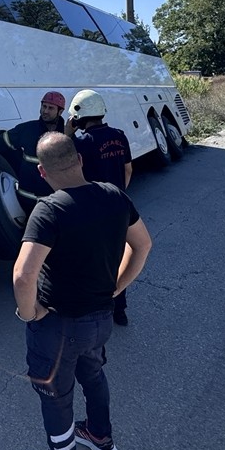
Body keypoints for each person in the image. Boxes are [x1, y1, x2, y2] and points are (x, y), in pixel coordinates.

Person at [13, 133, 151, 450]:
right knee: (94, 375)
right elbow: (143, 244)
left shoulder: (49, 210)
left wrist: (29, 314)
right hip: (100, 320)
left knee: (55, 396)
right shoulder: (114, 195)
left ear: (42, 172)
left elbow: (24, 275)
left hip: (59, 326)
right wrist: (117, 287)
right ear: (79, 159)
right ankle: (101, 437)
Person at [66, 89, 135, 326]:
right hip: (119, 205)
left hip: (93, 209)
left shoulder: (82, 142)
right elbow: (127, 170)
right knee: (117, 256)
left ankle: (95, 307)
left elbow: (67, 169)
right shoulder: (120, 135)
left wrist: (67, 134)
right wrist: (118, 194)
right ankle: (120, 309)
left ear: (78, 116)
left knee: (94, 258)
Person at [0, 91, 67, 206]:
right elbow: (0, 142)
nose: (45, 111)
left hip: (53, 202)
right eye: (44, 106)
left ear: (60, 111)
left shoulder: (67, 137)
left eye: (50, 108)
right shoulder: (28, 130)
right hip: (27, 202)